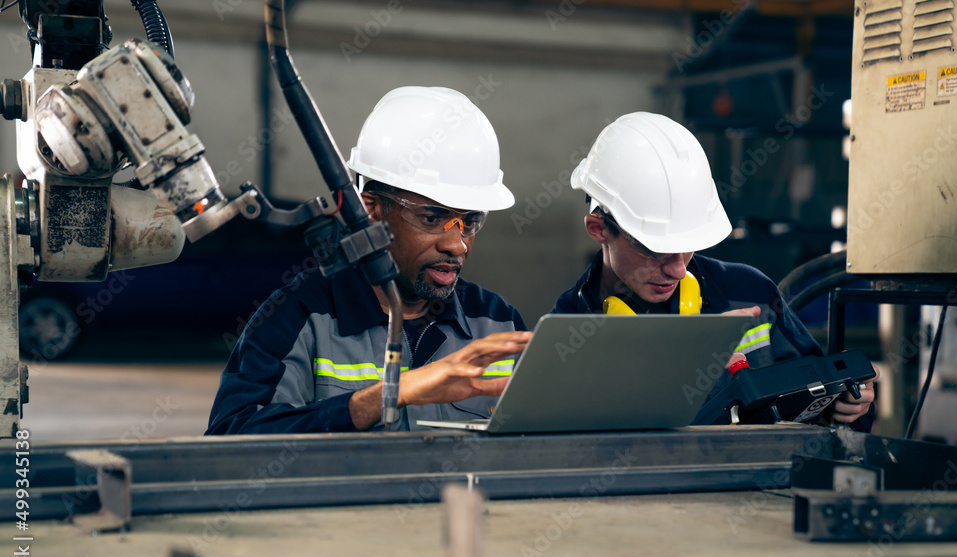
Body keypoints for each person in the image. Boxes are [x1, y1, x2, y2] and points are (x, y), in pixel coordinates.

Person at [207, 87, 530, 434]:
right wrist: (386, 396)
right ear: (370, 209)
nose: (457, 244)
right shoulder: (300, 318)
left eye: (470, 221)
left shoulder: (498, 324)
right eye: (432, 218)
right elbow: (232, 441)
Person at [551, 112, 877, 428]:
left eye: (689, 242)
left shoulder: (748, 294)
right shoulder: (567, 336)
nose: (678, 270)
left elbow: (816, 407)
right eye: (654, 250)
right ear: (599, 229)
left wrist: (843, 408)